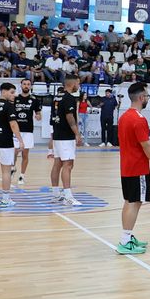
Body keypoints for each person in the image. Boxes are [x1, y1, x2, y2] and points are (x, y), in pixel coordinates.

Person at [115, 82, 150, 255]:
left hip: (126, 166)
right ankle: (125, 241)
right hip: (138, 168)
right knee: (135, 203)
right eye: (147, 96)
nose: (148, 99)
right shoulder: (139, 119)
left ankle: (126, 238)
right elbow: (146, 145)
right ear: (142, 98)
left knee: (130, 201)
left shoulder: (124, 117)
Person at [48, 74, 84, 206]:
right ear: (73, 83)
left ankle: (55, 194)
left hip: (57, 135)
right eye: (78, 83)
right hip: (65, 136)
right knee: (68, 165)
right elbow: (70, 118)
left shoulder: (57, 97)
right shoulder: (69, 98)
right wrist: (77, 134)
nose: (78, 86)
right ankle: (68, 197)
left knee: (57, 164)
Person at [11, 77, 40, 186]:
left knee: (25, 154)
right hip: (16, 129)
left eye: (28, 84)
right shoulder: (15, 98)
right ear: (21, 85)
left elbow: (38, 113)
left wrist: (38, 116)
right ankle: (13, 167)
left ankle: (22, 176)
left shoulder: (34, 99)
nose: (26, 86)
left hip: (28, 130)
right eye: (24, 84)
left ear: (30, 86)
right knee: (14, 151)